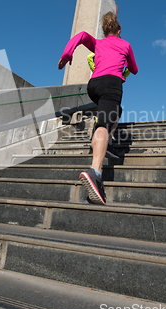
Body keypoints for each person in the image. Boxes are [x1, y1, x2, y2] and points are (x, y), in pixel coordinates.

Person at [58, 12, 138, 204]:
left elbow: (82, 36)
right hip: (112, 83)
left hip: (94, 85)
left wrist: (67, 54)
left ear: (104, 31)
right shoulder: (125, 44)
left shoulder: (99, 43)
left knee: (116, 111)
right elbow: (134, 69)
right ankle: (95, 172)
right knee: (103, 124)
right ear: (118, 31)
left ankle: (107, 144)